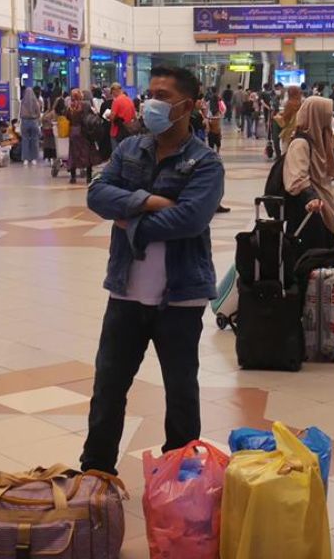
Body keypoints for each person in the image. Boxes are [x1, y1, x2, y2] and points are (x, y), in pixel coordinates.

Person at [81, 66, 225, 476]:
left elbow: (191, 220)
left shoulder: (205, 162)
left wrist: (131, 221)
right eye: (150, 93)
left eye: (163, 95)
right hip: (125, 291)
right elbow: (97, 193)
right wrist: (149, 202)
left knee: (181, 390)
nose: (153, 103)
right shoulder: (130, 149)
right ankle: (96, 473)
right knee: (108, 387)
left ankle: (181, 478)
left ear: (188, 105)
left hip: (180, 295)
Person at [282, 97, 334, 252]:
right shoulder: (300, 144)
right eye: (327, 115)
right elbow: (297, 180)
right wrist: (312, 197)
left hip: (322, 210)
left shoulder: (318, 141)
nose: (330, 119)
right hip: (309, 213)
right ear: (317, 116)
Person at [68, 89, 98, 184]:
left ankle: (73, 177)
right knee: (87, 153)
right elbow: (92, 115)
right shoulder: (86, 105)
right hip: (84, 131)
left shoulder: (70, 106)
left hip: (73, 131)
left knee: (73, 153)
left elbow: (67, 117)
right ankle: (88, 177)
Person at [275, 85, 304, 155]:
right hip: (298, 130)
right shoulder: (302, 103)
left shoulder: (289, 104)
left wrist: (277, 117)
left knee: (285, 151)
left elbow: (285, 120)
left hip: (288, 131)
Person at [109, 82, 137, 149]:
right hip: (128, 131)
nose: (112, 95)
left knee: (116, 154)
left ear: (114, 90)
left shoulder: (116, 101)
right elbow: (134, 117)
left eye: (112, 93)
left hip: (117, 131)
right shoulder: (130, 100)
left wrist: (108, 116)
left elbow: (112, 117)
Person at [19, 86, 42, 167]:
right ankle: (34, 158)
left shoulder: (23, 102)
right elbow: (39, 113)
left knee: (25, 140)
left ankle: (25, 158)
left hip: (25, 121)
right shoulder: (36, 101)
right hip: (34, 121)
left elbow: (20, 113)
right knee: (35, 140)